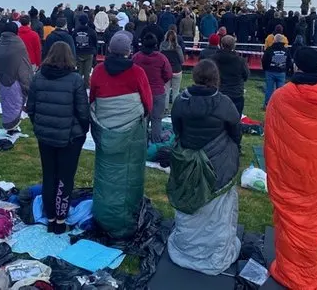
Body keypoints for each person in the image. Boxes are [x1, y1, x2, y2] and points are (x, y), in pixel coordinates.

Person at [264, 47, 317, 289]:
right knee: (311, 223)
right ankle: (303, 271)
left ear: (296, 66)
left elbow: (271, 138)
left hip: (290, 175)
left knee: (291, 222)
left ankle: (293, 272)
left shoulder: (282, 96)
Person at [167, 60, 241, 275]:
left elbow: (177, 129)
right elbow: (236, 131)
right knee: (215, 208)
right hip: (216, 164)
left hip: (190, 161)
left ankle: (193, 246)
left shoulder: (181, 101)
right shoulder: (224, 103)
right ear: (215, 79)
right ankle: (209, 250)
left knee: (196, 203)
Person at [89, 32, 152, 239]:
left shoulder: (98, 71)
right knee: (128, 175)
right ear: (129, 51)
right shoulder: (137, 72)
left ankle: (104, 215)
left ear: (108, 49)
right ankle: (125, 219)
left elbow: (93, 99)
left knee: (107, 173)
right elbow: (147, 102)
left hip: (105, 131)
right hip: (131, 131)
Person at [26, 42, 89, 234]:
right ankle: (59, 219)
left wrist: (40, 126)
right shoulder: (75, 79)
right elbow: (83, 111)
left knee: (49, 175)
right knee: (65, 178)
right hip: (69, 137)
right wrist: (82, 130)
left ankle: (52, 216)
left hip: (47, 136)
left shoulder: (38, 78)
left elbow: (31, 108)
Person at [133, 33, 172, 142]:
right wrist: (160, 82)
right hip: (157, 92)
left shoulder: (136, 57)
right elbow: (168, 74)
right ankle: (156, 143)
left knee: (143, 120)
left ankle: (142, 143)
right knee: (156, 120)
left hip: (141, 93)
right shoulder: (161, 58)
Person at [0, 22, 32, 133]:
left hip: (3, 77)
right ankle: (12, 126)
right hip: (15, 78)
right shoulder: (18, 43)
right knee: (15, 103)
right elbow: (23, 63)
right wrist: (28, 79)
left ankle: (10, 126)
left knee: (7, 102)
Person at [211, 35, 250, 115]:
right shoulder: (240, 61)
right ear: (233, 46)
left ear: (221, 45)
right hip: (235, 94)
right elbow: (246, 76)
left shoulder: (213, 59)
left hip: (219, 93)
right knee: (235, 121)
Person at [261, 34, 289, 108]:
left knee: (269, 89)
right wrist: (286, 69)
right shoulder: (286, 50)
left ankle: (267, 105)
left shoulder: (269, 49)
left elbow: (264, 60)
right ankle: (280, 105)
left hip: (270, 71)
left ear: (274, 40)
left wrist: (265, 68)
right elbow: (289, 61)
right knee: (280, 90)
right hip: (281, 72)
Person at [72, 14, 98, 89]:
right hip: (89, 53)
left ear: (79, 21)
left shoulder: (75, 31)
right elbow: (95, 42)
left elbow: (73, 42)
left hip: (78, 52)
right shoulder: (92, 31)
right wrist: (95, 53)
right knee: (87, 72)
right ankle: (86, 87)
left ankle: (78, 86)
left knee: (79, 71)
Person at [160, 30, 184, 107]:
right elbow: (182, 60)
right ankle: (175, 108)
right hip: (176, 70)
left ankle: (166, 108)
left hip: (166, 70)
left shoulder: (162, 46)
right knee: (175, 91)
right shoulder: (178, 47)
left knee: (166, 91)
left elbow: (160, 58)